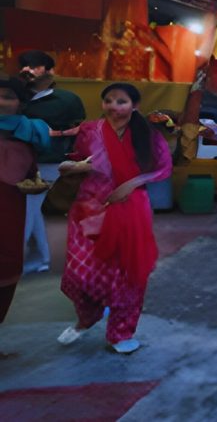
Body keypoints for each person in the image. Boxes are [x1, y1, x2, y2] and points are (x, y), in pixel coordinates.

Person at [56, 83, 172, 354]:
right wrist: (74, 166)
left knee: (127, 276)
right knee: (80, 274)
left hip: (131, 211)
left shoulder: (148, 136)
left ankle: (121, 332)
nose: (113, 106)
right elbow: (75, 161)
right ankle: (87, 317)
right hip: (88, 210)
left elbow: (163, 169)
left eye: (121, 101)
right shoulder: (89, 130)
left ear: (135, 106)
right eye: (108, 100)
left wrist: (132, 183)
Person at [18, 50, 86, 275]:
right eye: (25, 65)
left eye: (35, 65)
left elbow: (80, 129)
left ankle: (23, 258)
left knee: (29, 210)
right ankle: (40, 258)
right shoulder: (17, 97)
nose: (27, 70)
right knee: (33, 212)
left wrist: (53, 134)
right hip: (18, 160)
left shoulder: (67, 100)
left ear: (49, 71)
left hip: (49, 160)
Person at [0, 78, 49, 324]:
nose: (0, 101)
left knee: (7, 268)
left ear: (20, 103)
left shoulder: (33, 131)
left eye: (8, 96)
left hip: (10, 211)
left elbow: (30, 170)